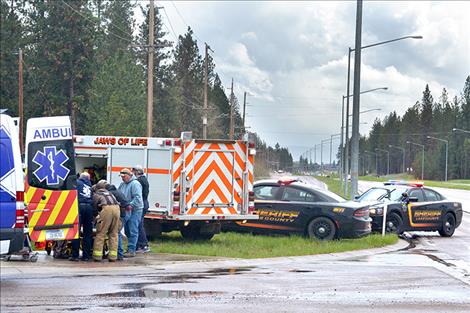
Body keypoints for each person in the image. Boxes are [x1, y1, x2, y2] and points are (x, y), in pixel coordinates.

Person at [92, 180, 120, 262]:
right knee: (114, 233)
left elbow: (94, 208)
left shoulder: (97, 195)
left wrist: (95, 218)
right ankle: (113, 257)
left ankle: (97, 257)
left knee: (101, 233)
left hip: (106, 209)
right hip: (117, 209)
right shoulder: (110, 193)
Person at [118, 168, 143, 258]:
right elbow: (119, 194)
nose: (122, 178)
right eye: (121, 177)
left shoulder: (135, 184)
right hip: (126, 209)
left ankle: (131, 250)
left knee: (133, 230)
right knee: (127, 230)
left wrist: (130, 205)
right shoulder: (122, 184)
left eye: (124, 177)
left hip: (135, 210)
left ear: (129, 175)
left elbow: (137, 198)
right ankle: (130, 248)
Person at [70, 172, 94, 262]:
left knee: (76, 232)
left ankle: (75, 255)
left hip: (79, 207)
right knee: (88, 233)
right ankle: (86, 256)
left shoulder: (77, 183)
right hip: (89, 208)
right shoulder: (90, 186)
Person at [106, 183, 130, 261]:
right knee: (116, 233)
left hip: (121, 215)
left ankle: (119, 254)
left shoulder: (111, 193)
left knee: (116, 233)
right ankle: (119, 254)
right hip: (124, 214)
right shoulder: (117, 191)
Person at [133, 165, 150, 253]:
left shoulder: (139, 181)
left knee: (139, 225)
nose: (133, 173)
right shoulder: (144, 179)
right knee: (139, 224)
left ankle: (143, 245)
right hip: (145, 203)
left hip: (142, 204)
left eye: (134, 171)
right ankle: (141, 244)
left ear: (137, 171)